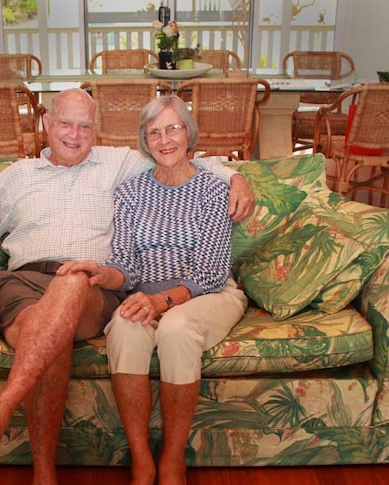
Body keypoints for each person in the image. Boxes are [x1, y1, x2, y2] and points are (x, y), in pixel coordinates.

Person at [0, 87, 255, 483]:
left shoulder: (118, 164)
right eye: (65, 124)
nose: (74, 135)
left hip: (91, 286)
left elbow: (182, 156)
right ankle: (45, 475)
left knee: (72, 283)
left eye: (85, 127)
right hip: (23, 283)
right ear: (46, 123)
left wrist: (238, 177)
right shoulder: (17, 176)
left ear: (97, 130)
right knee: (48, 335)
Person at [57, 96, 247, 485]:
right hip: (145, 294)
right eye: (154, 132)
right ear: (145, 140)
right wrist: (103, 274)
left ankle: (173, 457)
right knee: (125, 328)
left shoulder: (213, 189)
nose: (165, 139)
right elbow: (126, 266)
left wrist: (163, 301)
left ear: (189, 134)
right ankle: (141, 458)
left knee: (176, 330)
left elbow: (210, 272)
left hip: (206, 294)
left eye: (173, 128)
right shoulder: (129, 192)